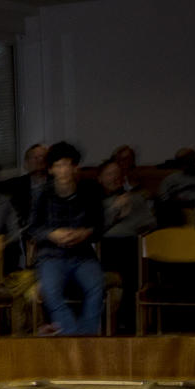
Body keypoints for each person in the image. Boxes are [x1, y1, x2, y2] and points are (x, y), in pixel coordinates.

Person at [29, 142, 105, 335]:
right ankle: (72, 334)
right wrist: (51, 234)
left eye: (67, 164)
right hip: (51, 256)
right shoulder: (42, 194)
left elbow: (99, 226)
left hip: (82, 255)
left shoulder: (89, 191)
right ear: (51, 169)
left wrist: (84, 233)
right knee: (50, 291)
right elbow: (32, 228)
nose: (63, 170)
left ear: (75, 167)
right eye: (58, 165)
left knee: (96, 286)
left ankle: (87, 336)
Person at [98, 159, 156, 333]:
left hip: (133, 244)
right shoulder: (95, 202)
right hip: (105, 247)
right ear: (100, 178)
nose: (115, 178)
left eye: (118, 174)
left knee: (136, 259)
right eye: (109, 174)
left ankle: (131, 323)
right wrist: (114, 211)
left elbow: (150, 223)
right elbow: (95, 228)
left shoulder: (136, 198)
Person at [0, 143, 49, 232]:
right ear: (26, 164)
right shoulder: (18, 184)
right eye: (35, 158)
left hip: (49, 231)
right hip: (25, 232)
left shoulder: (56, 183)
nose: (40, 160)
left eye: (43, 157)